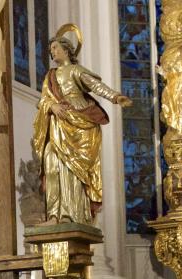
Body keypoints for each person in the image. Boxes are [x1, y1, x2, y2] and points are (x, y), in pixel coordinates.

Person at [33, 29, 133, 225]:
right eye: (51, 49)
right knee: (51, 162)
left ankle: (73, 215)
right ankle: (54, 214)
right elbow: (43, 100)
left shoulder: (75, 71)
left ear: (67, 50)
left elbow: (96, 86)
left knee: (73, 171)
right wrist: (52, 105)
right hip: (58, 125)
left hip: (79, 124)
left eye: (55, 48)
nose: (52, 52)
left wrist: (114, 96)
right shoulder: (50, 76)